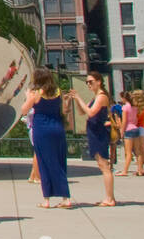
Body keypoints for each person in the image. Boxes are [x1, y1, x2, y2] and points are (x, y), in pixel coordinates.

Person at [20, 69, 70, 208]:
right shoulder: (57, 92)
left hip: (42, 129)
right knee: (59, 161)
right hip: (57, 128)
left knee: (44, 163)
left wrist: (27, 96)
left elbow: (24, 110)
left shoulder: (36, 94)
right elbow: (64, 109)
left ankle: (47, 199)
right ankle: (65, 197)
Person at [67, 72, 116, 206]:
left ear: (99, 81)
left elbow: (91, 112)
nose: (89, 84)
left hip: (99, 132)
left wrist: (78, 97)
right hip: (94, 132)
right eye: (87, 82)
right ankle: (109, 197)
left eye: (91, 81)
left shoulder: (101, 97)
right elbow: (83, 111)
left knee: (104, 165)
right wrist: (76, 99)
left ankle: (110, 198)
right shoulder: (96, 97)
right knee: (102, 164)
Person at [117, 91, 141, 176]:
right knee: (138, 151)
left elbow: (124, 121)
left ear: (124, 98)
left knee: (128, 152)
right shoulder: (134, 107)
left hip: (128, 129)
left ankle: (125, 171)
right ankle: (140, 170)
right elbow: (136, 120)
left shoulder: (125, 107)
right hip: (135, 128)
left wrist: (121, 131)